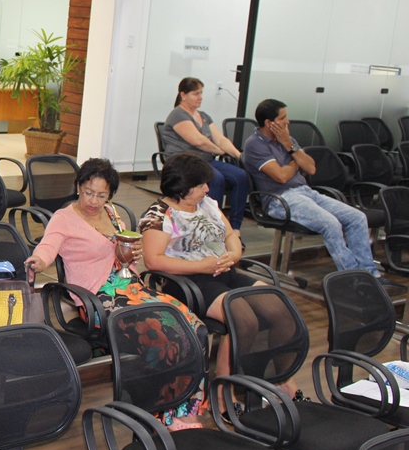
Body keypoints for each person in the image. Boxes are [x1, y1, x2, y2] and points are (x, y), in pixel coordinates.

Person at [23, 158, 208, 430]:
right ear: (78, 186)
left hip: (133, 288)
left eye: (101, 195)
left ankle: (187, 409)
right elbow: (48, 246)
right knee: (163, 338)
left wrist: (134, 252)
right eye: (88, 192)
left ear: (109, 195)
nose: (93, 201)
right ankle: (162, 413)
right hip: (100, 299)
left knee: (196, 329)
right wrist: (38, 261)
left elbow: (125, 247)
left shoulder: (111, 212)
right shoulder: (64, 218)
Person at [139, 152, 300, 402]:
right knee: (243, 319)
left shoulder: (207, 204)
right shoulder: (159, 215)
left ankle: (282, 378)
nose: (207, 189)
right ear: (182, 187)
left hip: (223, 272)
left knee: (281, 308)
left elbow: (230, 235)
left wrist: (234, 254)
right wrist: (200, 266)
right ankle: (223, 391)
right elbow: (153, 260)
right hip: (188, 282)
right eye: (201, 185)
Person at [244, 99, 396, 285]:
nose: (287, 122)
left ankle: (370, 274)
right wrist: (295, 161)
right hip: (280, 199)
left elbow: (310, 168)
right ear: (269, 123)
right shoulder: (255, 144)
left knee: (357, 218)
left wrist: (289, 146)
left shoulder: (287, 140)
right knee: (330, 224)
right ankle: (353, 278)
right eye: (283, 118)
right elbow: (281, 177)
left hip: (307, 192)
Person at [160, 77, 247, 233]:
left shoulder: (204, 116)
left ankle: (235, 228)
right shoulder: (177, 114)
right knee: (216, 178)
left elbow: (220, 139)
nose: (200, 97)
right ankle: (211, 227)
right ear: (183, 95)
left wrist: (238, 155)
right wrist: (220, 151)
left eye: (201, 93)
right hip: (186, 162)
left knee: (240, 176)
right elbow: (198, 141)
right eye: (195, 94)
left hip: (205, 160)